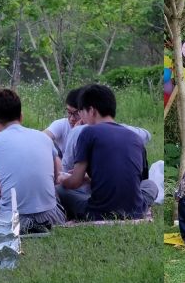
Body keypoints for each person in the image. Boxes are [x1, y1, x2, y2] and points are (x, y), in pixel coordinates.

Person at [0, 88, 62, 233]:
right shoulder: (44, 138)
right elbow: (56, 177)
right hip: (52, 217)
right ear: (21, 116)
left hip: (13, 221)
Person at [59, 84, 148, 220]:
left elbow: (75, 182)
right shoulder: (135, 137)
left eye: (81, 112)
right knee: (151, 186)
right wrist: (90, 179)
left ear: (92, 110)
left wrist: (63, 180)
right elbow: (138, 179)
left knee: (60, 190)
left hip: (98, 213)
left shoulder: (88, 132)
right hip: (134, 211)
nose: (81, 118)